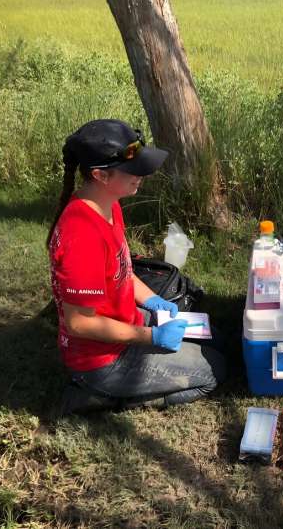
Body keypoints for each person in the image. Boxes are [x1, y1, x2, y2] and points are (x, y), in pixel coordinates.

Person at [47, 119, 226, 415]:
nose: (142, 175)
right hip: (102, 361)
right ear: (100, 175)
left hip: (128, 322)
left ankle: (120, 381)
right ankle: (101, 396)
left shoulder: (109, 204)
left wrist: (153, 301)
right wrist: (151, 337)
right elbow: (79, 323)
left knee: (216, 339)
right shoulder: (82, 235)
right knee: (214, 370)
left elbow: (123, 269)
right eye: (133, 170)